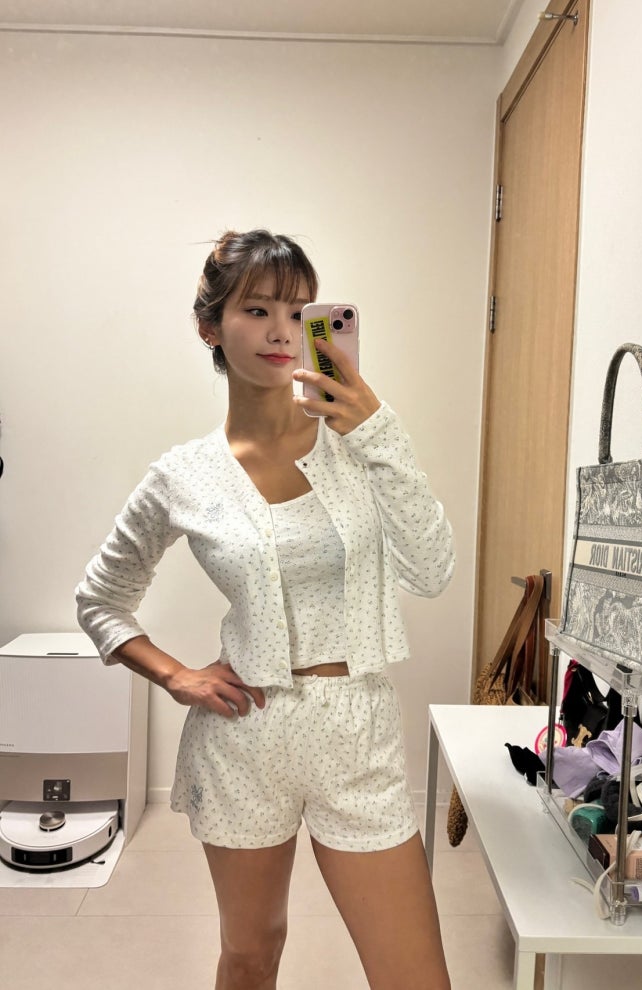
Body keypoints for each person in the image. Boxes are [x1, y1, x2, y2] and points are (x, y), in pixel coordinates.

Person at [75, 229, 455, 990]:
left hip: (357, 733)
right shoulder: (183, 476)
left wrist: (377, 431)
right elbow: (101, 599)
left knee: (414, 977)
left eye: (297, 309)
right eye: (256, 310)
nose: (282, 330)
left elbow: (431, 570)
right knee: (250, 956)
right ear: (210, 328)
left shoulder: (358, 445)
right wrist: (175, 675)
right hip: (245, 736)